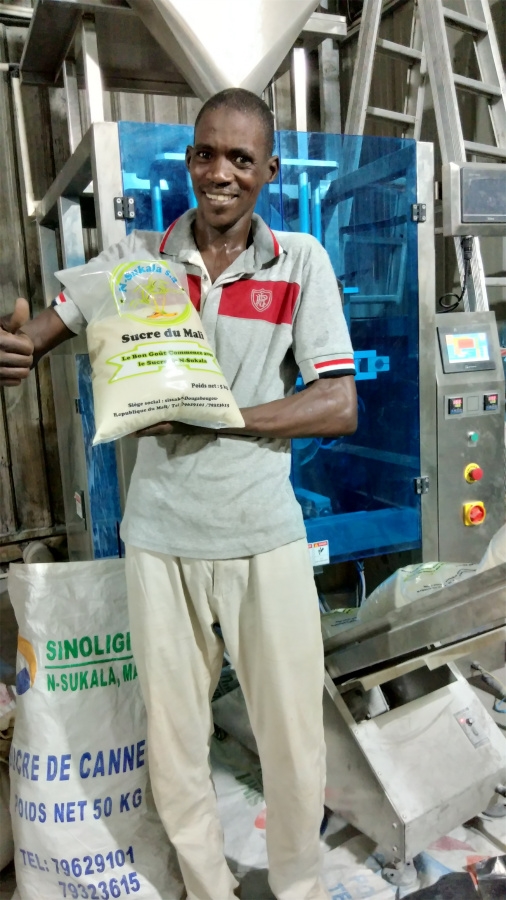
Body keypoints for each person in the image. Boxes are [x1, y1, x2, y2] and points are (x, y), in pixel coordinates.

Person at [0, 89, 357, 900]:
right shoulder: (136, 262)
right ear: (189, 160)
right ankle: (206, 888)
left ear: (269, 170)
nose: (220, 173)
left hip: (263, 535)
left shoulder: (299, 261)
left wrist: (216, 416)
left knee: (294, 742)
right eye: (206, 154)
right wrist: (15, 349)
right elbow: (41, 333)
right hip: (160, 540)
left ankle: (299, 888)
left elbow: (338, 403)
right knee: (174, 745)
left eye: (240, 158)